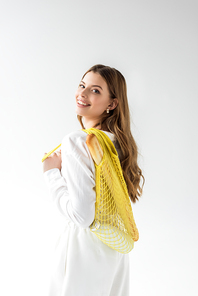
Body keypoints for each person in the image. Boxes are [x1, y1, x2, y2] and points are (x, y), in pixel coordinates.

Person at [43, 64, 144, 296]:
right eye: (82, 85)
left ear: (112, 104)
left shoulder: (77, 141)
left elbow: (82, 216)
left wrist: (51, 174)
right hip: (113, 247)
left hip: (83, 248)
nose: (83, 93)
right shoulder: (117, 143)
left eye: (95, 90)